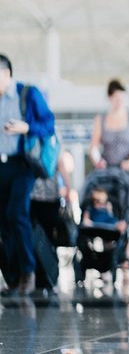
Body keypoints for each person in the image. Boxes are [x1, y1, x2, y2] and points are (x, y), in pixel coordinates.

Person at [0, 53, 56, 296]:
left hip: (23, 164)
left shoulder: (27, 94)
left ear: (7, 73)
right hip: (1, 165)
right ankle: (12, 277)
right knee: (3, 220)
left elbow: (49, 124)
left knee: (17, 212)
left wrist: (27, 128)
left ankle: (28, 272)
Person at [89, 79, 129, 246]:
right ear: (109, 98)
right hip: (108, 173)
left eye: (123, 98)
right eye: (116, 98)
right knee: (102, 202)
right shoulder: (100, 119)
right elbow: (93, 147)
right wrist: (97, 160)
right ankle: (107, 243)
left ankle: (128, 252)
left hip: (128, 171)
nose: (120, 102)